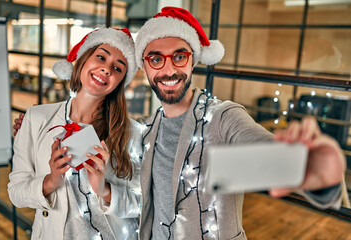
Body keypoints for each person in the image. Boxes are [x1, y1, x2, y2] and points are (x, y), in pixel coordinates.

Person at [134, 7, 346, 239]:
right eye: (156, 59)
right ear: (144, 67)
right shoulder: (147, 130)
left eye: (179, 56)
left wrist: (311, 169)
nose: (169, 69)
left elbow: (259, 144)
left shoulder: (223, 117)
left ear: (192, 60)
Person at [8, 27, 142, 240]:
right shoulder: (36, 118)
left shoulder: (132, 133)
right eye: (100, 57)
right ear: (83, 59)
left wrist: (104, 190)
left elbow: (141, 203)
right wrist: (52, 180)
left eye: (118, 68)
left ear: (120, 82)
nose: (107, 69)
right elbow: (16, 193)